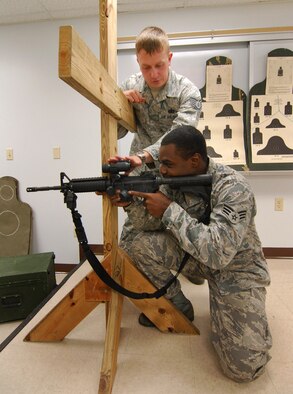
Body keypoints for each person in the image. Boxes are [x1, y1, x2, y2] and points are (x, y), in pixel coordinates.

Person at [113, 125, 272, 383]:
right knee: (137, 244)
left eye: (167, 163)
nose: (161, 169)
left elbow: (219, 253)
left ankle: (245, 313)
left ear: (195, 160)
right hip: (198, 257)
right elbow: (148, 226)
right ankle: (178, 306)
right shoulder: (174, 181)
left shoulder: (233, 187)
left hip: (237, 269)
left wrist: (170, 210)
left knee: (243, 369)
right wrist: (131, 203)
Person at [115, 26, 202, 264]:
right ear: (138, 62)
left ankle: (190, 265)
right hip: (139, 165)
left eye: (159, 65)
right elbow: (116, 132)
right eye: (146, 67)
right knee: (135, 221)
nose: (153, 74)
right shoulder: (130, 85)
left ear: (170, 58)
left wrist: (144, 156)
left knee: (182, 216)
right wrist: (120, 104)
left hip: (179, 165)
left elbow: (179, 136)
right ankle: (128, 267)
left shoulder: (189, 92)